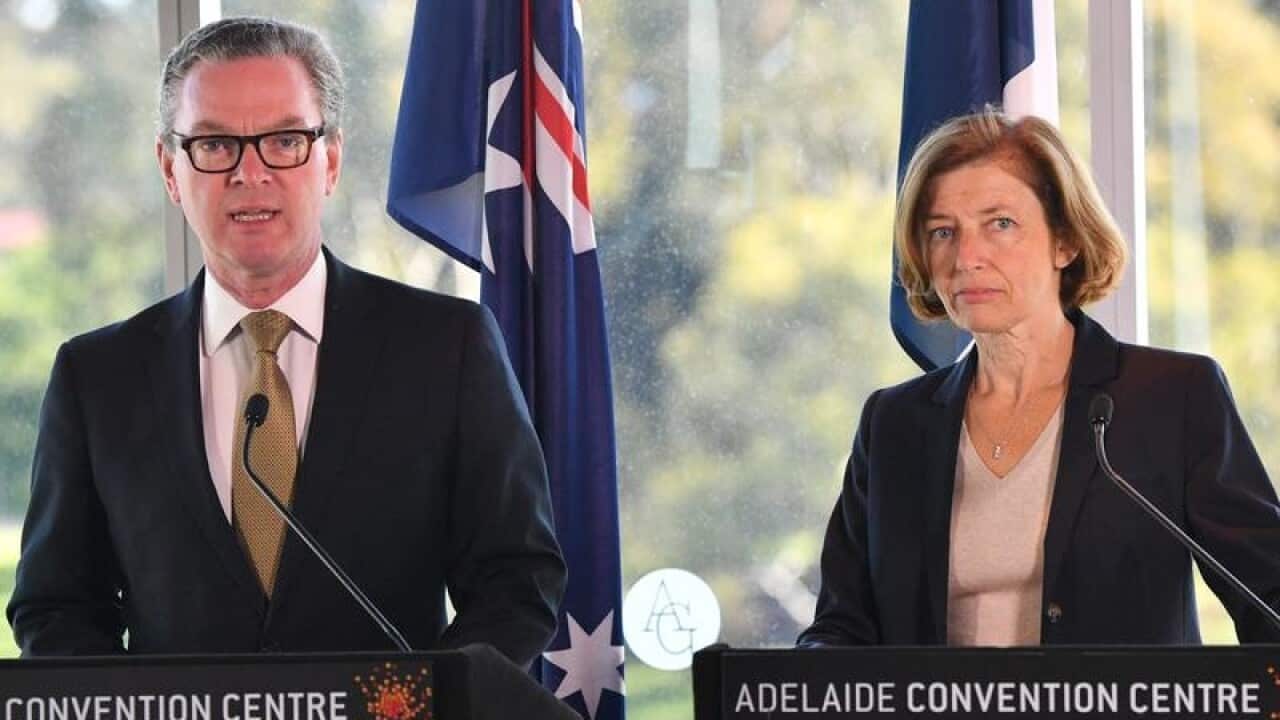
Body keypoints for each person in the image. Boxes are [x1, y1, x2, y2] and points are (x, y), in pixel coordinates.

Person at [7, 17, 566, 667]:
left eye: (283, 140)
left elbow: (517, 580)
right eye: (215, 145)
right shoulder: (96, 377)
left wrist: (426, 706)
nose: (250, 173)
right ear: (169, 169)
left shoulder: (447, 346)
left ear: (329, 159)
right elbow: (56, 607)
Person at [798, 108, 1280, 647]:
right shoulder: (893, 425)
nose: (966, 257)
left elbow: (1270, 596)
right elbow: (840, 630)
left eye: (999, 224)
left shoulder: (1173, 398)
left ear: (1065, 241)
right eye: (942, 232)